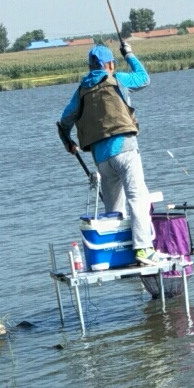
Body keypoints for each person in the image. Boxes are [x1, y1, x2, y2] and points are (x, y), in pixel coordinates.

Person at [57, 42, 155, 261]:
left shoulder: (81, 90)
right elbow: (144, 78)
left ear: (91, 67)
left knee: (114, 211)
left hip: (101, 159)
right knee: (137, 197)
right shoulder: (117, 78)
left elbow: (64, 122)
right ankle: (143, 249)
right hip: (126, 150)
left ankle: (121, 253)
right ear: (109, 64)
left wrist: (69, 144)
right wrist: (129, 53)